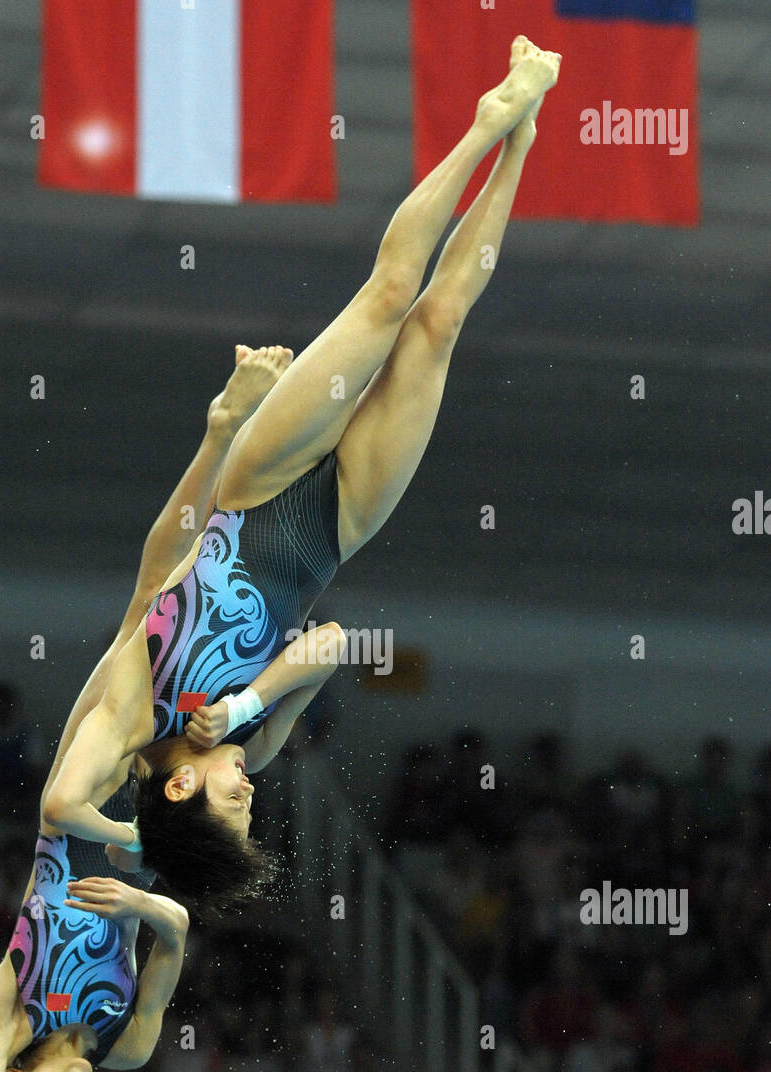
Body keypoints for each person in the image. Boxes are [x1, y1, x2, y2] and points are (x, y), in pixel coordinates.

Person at [41, 36, 563, 902]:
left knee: (387, 299)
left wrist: (134, 845)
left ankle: (485, 124)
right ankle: (521, 140)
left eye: (233, 807)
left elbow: (61, 802)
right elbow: (330, 644)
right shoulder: (254, 744)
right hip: (337, 527)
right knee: (436, 328)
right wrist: (246, 707)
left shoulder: (128, 715)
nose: (250, 794)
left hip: (257, 492)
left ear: (179, 787)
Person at [0, 348, 304, 1072]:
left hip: (88, 796)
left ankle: (226, 433)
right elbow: (175, 930)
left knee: (148, 606)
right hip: (152, 828)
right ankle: (268, 514)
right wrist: (143, 898)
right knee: (173, 618)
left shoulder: (14, 1016)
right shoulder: (127, 1046)